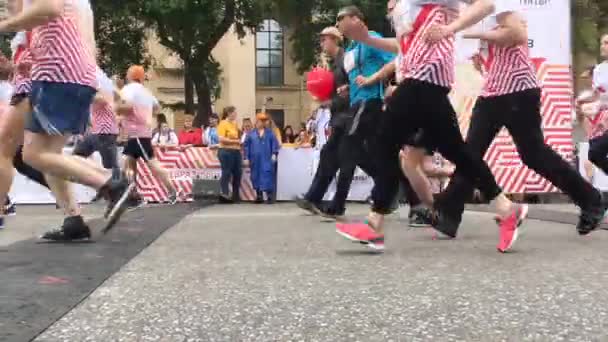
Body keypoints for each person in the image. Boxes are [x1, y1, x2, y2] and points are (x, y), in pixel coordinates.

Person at [336, 0, 525, 252]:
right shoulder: (404, 6)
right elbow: (404, 46)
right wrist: (366, 39)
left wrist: (450, 29)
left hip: (425, 76)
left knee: (383, 142)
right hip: (424, 79)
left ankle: (375, 223)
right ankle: (506, 208)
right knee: (457, 151)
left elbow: (486, 4)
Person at [0, 0, 133, 239]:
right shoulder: (80, 7)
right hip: (71, 73)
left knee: (28, 153)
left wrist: (6, 25)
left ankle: (110, 183)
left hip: (57, 74)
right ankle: (75, 218)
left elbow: (46, 10)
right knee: (48, 153)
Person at [118, 65, 180, 204]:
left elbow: (125, 106)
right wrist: (146, 113)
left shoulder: (128, 89)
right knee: (129, 163)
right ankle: (133, 194)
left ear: (130, 76)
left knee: (153, 165)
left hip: (137, 134)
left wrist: (119, 113)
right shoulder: (147, 91)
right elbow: (157, 109)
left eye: (127, 74)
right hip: (141, 133)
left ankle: (172, 190)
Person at [73, 67, 120, 171]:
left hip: (106, 133)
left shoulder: (101, 92)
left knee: (110, 166)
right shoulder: (104, 88)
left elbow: (102, 99)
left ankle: (117, 181)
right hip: (97, 132)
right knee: (77, 155)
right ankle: (98, 173)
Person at [244, 113, 280, 203]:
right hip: (255, 159)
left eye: (264, 121)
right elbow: (246, 146)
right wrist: (246, 158)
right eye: (261, 121)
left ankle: (269, 197)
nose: (263, 123)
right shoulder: (251, 134)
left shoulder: (270, 133)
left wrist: (274, 154)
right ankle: (259, 196)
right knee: (255, 176)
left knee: (267, 175)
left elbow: (275, 144)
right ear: (257, 121)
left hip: (266, 158)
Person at [217, 106, 242, 203]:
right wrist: (234, 142)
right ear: (229, 113)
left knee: (238, 173)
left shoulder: (235, 124)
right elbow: (221, 138)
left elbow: (237, 136)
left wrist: (239, 141)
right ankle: (224, 194)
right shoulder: (223, 123)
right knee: (226, 172)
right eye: (234, 113)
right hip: (226, 151)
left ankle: (236, 196)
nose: (236, 114)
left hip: (236, 151)